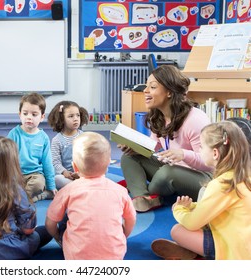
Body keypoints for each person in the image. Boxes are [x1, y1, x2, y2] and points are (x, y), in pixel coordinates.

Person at [151, 121, 251, 260]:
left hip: (233, 250)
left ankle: (199, 254)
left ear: (215, 153)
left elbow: (192, 223)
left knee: (178, 231)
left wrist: (179, 209)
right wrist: (192, 206)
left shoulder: (221, 184)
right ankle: (192, 251)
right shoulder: (243, 177)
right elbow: (221, 208)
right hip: (244, 243)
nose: (199, 151)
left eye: (201, 147)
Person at [119, 65, 213, 212]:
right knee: (129, 157)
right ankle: (144, 198)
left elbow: (210, 163)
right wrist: (135, 148)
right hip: (174, 168)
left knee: (166, 173)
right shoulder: (159, 116)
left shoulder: (195, 119)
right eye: (147, 86)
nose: (145, 90)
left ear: (169, 92)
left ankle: (151, 191)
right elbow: (154, 147)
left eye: (153, 87)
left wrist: (183, 154)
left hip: (203, 178)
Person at [45, 132, 136, 259]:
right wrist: (123, 235)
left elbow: (50, 223)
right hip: (115, 255)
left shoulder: (68, 190)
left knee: (65, 216)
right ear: (109, 163)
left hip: (76, 256)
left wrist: (58, 238)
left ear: (74, 166)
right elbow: (131, 219)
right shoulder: (120, 191)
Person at [7, 92, 56, 202]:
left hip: (34, 175)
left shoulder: (43, 137)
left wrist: (51, 186)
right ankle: (35, 197)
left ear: (42, 117)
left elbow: (47, 163)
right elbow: (6, 157)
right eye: (25, 114)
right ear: (20, 114)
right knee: (5, 186)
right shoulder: (14, 134)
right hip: (16, 174)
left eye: (34, 115)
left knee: (38, 184)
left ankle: (19, 200)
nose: (29, 117)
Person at [47, 101, 89, 189]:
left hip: (84, 173)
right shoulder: (57, 140)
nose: (76, 119)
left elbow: (89, 157)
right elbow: (55, 162)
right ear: (61, 119)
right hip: (67, 176)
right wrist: (64, 172)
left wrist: (81, 173)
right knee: (56, 179)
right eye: (71, 116)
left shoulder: (84, 136)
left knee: (103, 169)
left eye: (78, 115)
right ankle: (82, 186)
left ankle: (80, 185)